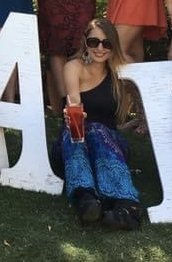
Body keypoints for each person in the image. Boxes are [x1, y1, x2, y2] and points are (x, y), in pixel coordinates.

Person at [58, 19, 142, 229]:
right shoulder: (74, 67)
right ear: (85, 42)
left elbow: (150, 87)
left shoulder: (122, 67)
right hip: (74, 144)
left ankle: (125, 206)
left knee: (96, 130)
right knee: (79, 130)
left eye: (107, 43)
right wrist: (74, 116)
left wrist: (140, 119)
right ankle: (87, 200)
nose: (100, 48)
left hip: (110, 146)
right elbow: (74, 103)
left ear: (114, 45)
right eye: (94, 42)